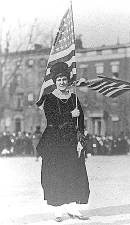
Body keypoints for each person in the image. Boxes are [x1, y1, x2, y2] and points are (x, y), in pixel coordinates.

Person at [36, 62, 90, 222]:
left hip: (72, 141)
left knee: (74, 173)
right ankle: (58, 210)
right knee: (57, 174)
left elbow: (80, 119)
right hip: (55, 142)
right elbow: (51, 119)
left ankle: (73, 207)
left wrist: (80, 138)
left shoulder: (73, 98)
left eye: (64, 79)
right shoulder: (50, 99)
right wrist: (69, 115)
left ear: (68, 81)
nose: (62, 82)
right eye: (59, 80)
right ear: (55, 81)